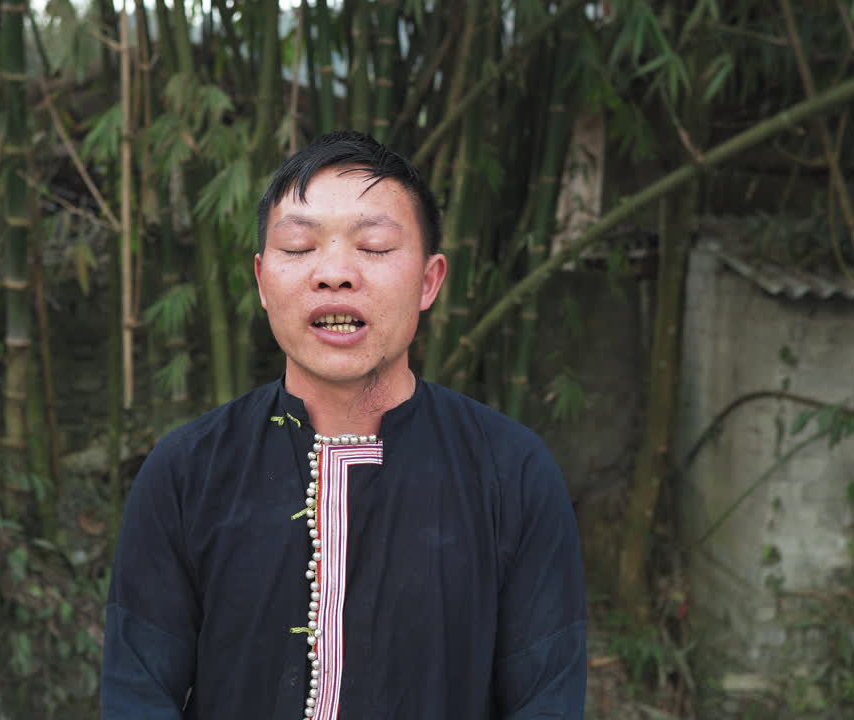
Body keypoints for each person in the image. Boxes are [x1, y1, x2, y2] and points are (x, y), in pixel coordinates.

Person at [101, 131, 587, 719]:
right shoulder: (187, 472)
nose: (334, 273)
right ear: (260, 280)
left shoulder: (511, 474)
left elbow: (546, 702)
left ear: (430, 281)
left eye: (375, 247)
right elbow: (138, 695)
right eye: (299, 247)